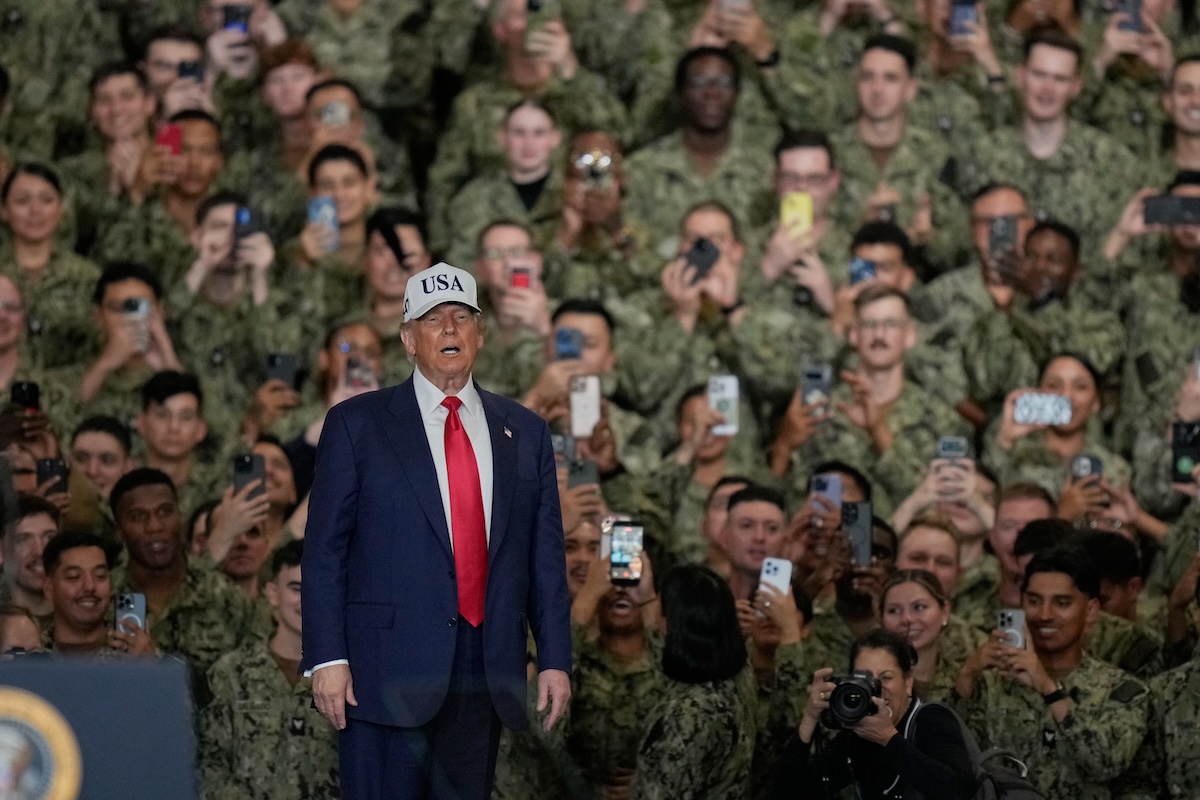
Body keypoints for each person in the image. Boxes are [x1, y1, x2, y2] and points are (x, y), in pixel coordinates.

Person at [302, 262, 571, 798]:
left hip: (484, 673)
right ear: (408, 339)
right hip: (383, 676)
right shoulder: (356, 425)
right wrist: (328, 658)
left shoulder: (526, 432)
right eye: (432, 319)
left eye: (461, 317)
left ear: (480, 334)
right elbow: (324, 551)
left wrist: (556, 660)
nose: (449, 330)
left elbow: (544, 559)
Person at [955, 545, 1151, 798]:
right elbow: (952, 756)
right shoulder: (993, 683)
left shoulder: (1122, 690)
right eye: (1034, 601)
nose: (1044, 615)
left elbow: (1107, 763)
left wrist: (1048, 687)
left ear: (1091, 610)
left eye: (1062, 603)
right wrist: (968, 674)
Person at [199, 539, 339, 800]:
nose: (307, 600)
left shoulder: (344, 677)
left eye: (316, 588)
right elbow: (210, 765)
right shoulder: (229, 674)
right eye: (296, 588)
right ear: (272, 593)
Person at [771, 628, 976, 799]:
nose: (876, 688)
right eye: (866, 679)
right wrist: (810, 717)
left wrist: (889, 739)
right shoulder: (860, 735)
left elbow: (959, 791)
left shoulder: (931, 719)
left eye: (886, 678)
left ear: (908, 680)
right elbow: (790, 794)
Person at [628, 564, 755, 799]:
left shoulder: (686, 713)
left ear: (669, 623)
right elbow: (676, 657)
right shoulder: (739, 675)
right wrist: (646, 599)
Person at [881, 568, 979, 703]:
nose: (907, 619)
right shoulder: (873, 679)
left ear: (945, 611)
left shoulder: (968, 676)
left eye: (919, 607)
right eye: (894, 610)